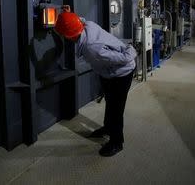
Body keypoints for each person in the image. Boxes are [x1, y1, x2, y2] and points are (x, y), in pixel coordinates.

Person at [54, 8, 137, 157]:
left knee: (116, 108)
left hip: (121, 73)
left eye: (63, 34)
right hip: (107, 73)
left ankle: (117, 142)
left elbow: (123, 59)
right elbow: (81, 21)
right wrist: (69, 15)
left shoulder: (92, 49)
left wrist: (131, 51)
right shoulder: (88, 25)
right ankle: (107, 128)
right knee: (110, 102)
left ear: (68, 36)